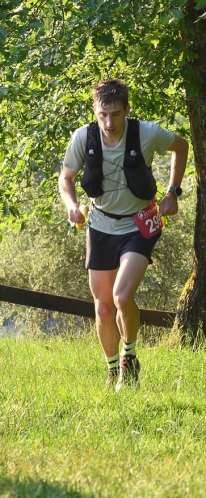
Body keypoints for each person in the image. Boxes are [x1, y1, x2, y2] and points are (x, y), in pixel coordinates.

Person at [58, 79, 189, 390]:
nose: (109, 122)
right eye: (103, 114)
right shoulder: (83, 137)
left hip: (140, 224)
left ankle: (129, 356)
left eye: (116, 114)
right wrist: (71, 204)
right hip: (100, 225)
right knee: (103, 305)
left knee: (121, 295)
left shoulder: (146, 133)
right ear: (95, 111)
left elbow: (181, 147)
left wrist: (173, 193)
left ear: (127, 111)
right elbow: (66, 177)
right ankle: (113, 368)